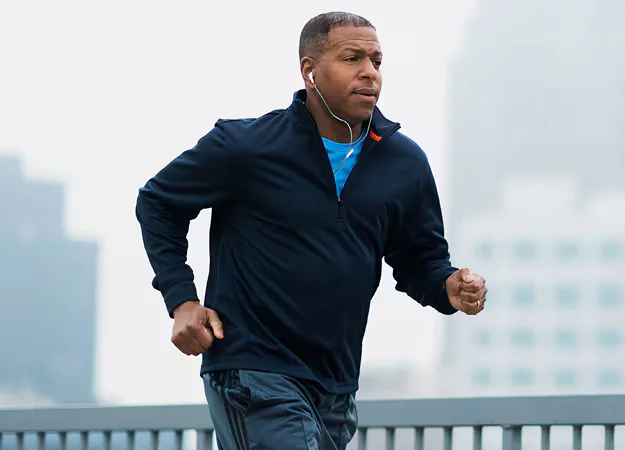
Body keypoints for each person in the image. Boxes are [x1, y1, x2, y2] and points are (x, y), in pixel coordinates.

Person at [135, 11, 488, 450]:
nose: (370, 72)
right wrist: (182, 300)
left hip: (336, 386)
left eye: (377, 61)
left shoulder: (404, 163)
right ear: (310, 71)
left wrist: (449, 286)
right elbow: (158, 201)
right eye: (352, 58)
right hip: (254, 369)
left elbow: (421, 260)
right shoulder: (246, 147)